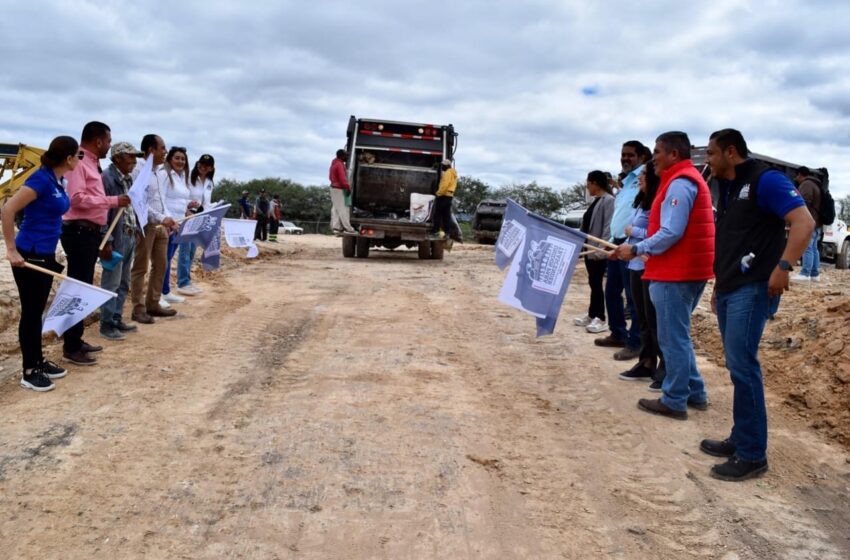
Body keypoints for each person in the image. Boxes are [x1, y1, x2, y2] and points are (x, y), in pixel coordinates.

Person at [702, 129, 813, 481]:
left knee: (744, 367)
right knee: (738, 367)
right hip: (732, 286)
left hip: (753, 289)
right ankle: (741, 438)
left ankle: (752, 454)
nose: (708, 160)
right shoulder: (730, 185)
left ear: (731, 152)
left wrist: (783, 267)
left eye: (711, 153)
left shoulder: (766, 180)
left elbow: (804, 221)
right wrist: (720, 283)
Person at [614, 131, 715, 421]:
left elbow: (671, 232)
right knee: (677, 336)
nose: (653, 157)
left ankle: (674, 400)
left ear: (673, 154)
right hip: (683, 270)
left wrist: (636, 249)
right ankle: (694, 392)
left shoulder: (679, 184)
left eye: (657, 151)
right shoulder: (683, 181)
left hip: (676, 272)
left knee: (672, 339)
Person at [2, 136, 77, 391]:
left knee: (37, 312)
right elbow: (8, 209)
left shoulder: (57, 181)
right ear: (68, 158)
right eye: (77, 155)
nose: (79, 160)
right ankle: (29, 371)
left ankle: (38, 361)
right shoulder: (40, 180)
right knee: (31, 313)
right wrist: (11, 250)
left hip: (45, 252)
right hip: (29, 253)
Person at [61, 121, 131, 366]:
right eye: (108, 141)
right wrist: (113, 201)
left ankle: (76, 339)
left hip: (89, 233)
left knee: (83, 287)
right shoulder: (79, 161)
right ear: (98, 140)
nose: (109, 146)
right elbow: (77, 199)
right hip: (78, 232)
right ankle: (70, 346)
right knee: (77, 288)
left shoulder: (92, 163)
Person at [594, 141, 647, 361]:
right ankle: (618, 333)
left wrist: (629, 241)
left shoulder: (644, 178)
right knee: (612, 292)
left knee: (633, 298)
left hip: (631, 245)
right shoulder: (625, 182)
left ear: (642, 157)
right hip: (616, 242)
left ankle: (635, 343)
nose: (625, 158)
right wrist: (609, 239)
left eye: (630, 155)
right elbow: (620, 213)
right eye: (623, 155)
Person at [618, 161, 665, 383]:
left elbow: (660, 233)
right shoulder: (642, 201)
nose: (640, 177)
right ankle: (646, 362)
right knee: (642, 317)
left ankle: (664, 368)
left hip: (649, 264)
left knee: (654, 320)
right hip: (635, 264)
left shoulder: (659, 201)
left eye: (644, 174)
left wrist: (634, 231)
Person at [129, 134, 177, 323]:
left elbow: (161, 199)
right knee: (141, 266)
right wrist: (161, 217)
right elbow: (138, 200)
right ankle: (138, 307)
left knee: (161, 265)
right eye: (162, 148)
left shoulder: (160, 172)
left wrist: (168, 219)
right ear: (151, 150)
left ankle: (153, 303)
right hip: (145, 224)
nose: (165, 151)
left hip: (161, 226)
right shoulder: (138, 169)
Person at [99, 141, 144, 340]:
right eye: (130, 156)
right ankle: (106, 324)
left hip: (128, 234)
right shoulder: (107, 179)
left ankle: (116, 317)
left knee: (124, 280)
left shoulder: (127, 179)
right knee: (112, 281)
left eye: (135, 157)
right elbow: (102, 211)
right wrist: (105, 240)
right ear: (117, 158)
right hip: (115, 236)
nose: (134, 161)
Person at [574, 171, 615, 333]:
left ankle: (601, 318)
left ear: (596, 183)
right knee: (593, 283)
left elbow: (608, 227)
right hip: (589, 249)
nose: (587, 187)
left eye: (588, 184)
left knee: (597, 284)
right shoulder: (595, 201)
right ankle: (592, 314)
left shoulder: (609, 201)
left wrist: (601, 251)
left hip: (598, 250)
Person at [160, 147, 196, 305]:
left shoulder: (181, 177)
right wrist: (167, 220)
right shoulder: (165, 175)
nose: (180, 161)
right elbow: (161, 198)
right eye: (177, 158)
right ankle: (158, 294)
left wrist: (189, 205)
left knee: (168, 258)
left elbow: (178, 200)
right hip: (167, 224)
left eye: (183, 159)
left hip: (178, 224)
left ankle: (165, 291)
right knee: (162, 260)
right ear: (169, 159)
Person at [177, 153, 216, 295]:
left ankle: (187, 280)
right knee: (185, 251)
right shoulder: (188, 178)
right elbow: (181, 197)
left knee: (192, 251)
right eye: (201, 164)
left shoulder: (210, 183)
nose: (203, 167)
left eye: (207, 166)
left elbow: (206, 203)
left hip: (200, 218)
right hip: (187, 217)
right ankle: (182, 282)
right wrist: (186, 209)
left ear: (211, 168)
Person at [791, 166, 822, 282]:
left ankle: (805, 273)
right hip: (817, 221)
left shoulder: (806, 184)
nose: (795, 178)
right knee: (814, 248)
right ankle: (815, 274)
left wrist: (799, 219)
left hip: (809, 220)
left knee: (807, 247)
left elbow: (803, 203)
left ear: (800, 174)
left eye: (796, 176)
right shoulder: (816, 184)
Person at [431, 159, 458, 240]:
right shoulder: (453, 173)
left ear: (447, 166)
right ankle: (447, 233)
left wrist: (438, 193)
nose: (442, 167)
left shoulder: (447, 173)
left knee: (437, 214)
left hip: (443, 196)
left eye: (443, 165)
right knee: (446, 216)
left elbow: (444, 186)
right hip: (449, 196)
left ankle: (435, 231)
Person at [329, 149, 355, 233]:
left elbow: (330, 177)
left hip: (334, 188)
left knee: (336, 208)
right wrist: (347, 188)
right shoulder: (340, 165)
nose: (347, 157)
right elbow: (342, 179)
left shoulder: (334, 163)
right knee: (344, 209)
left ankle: (336, 227)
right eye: (346, 155)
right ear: (342, 156)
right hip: (340, 189)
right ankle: (348, 228)